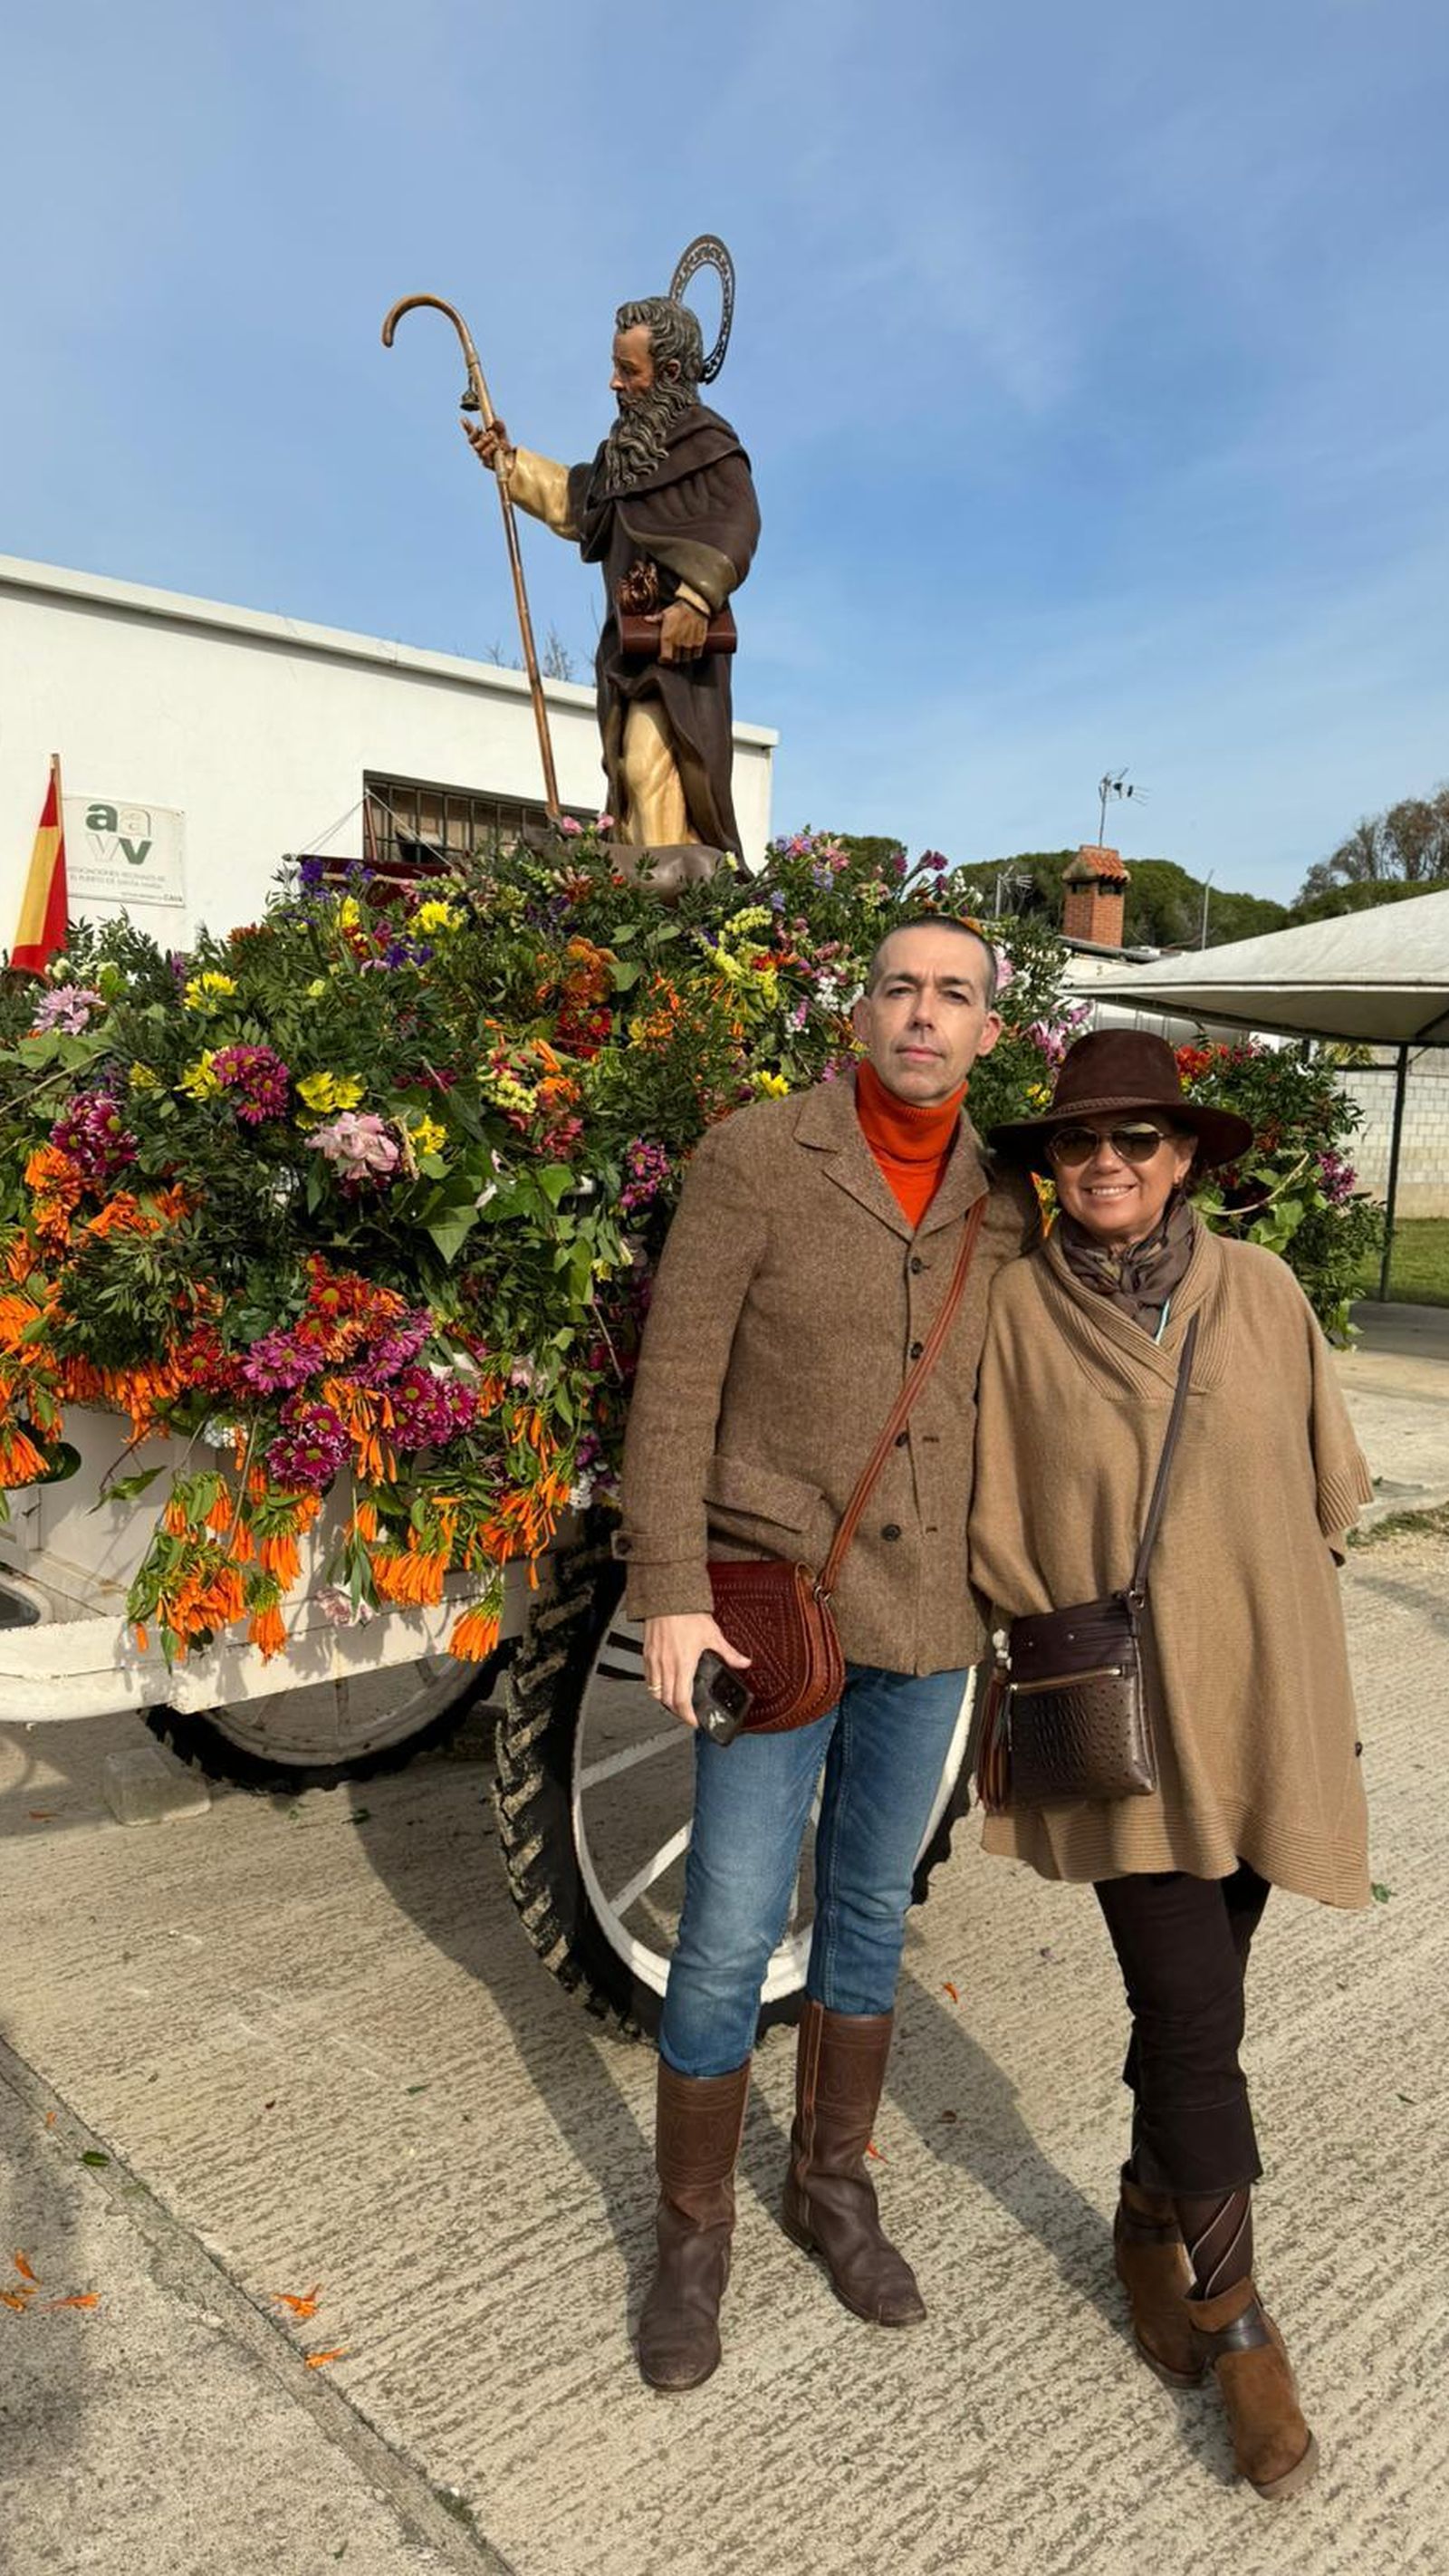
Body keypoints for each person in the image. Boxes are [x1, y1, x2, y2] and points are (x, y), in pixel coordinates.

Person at [613, 914, 1038, 2391]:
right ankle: (690, 2233)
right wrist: (670, 1583)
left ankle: (832, 2182)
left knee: (866, 1904)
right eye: (901, 986)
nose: (925, 1013)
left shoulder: (1010, 1196)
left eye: (956, 995)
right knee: (730, 1920)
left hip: (931, 1628)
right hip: (770, 1613)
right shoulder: (755, 1156)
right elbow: (674, 1382)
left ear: (991, 1028)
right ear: (858, 1010)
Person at [969, 1027, 1372, 2503]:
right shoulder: (1015, 1313)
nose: (1109, 1163)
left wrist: (1255, 1610)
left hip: (1264, 1703)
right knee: (1196, 2017)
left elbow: (1331, 1487)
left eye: (1139, 1139)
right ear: (1049, 1168)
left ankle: (1144, 2210)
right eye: (1081, 1144)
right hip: (1124, 1729)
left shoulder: (1261, 1292)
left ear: (1187, 1155)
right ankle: (1239, 2318)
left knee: (1199, 2003)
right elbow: (992, 1522)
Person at [465, 295, 760, 856]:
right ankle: (648, 889)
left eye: (628, 371)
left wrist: (696, 600)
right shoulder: (621, 458)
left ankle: (668, 906)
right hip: (627, 653)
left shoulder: (709, 448)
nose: (614, 384)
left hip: (681, 660)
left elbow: (737, 524)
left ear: (670, 373)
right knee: (627, 774)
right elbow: (575, 501)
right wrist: (508, 460)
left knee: (654, 764)